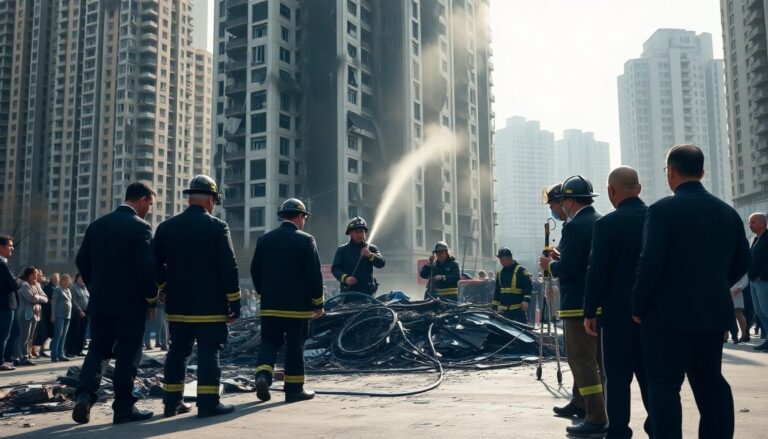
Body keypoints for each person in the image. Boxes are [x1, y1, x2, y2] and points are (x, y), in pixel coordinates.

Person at [631, 144, 750, 439]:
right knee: (711, 383)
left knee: (664, 388)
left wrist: (637, 305)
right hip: (712, 313)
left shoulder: (661, 210)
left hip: (665, 316)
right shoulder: (727, 213)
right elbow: (742, 261)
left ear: (671, 171)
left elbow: (650, 263)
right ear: (702, 171)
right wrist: (715, 284)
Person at [154, 175, 241, 418]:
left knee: (177, 351)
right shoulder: (217, 227)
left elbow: (154, 264)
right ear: (211, 199)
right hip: (210, 306)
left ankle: (171, 403)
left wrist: (164, 286)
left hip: (178, 305)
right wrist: (234, 300)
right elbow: (229, 266)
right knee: (209, 351)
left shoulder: (166, 227)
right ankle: (208, 403)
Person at [73, 181, 158, 425]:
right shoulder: (140, 227)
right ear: (141, 200)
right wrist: (151, 298)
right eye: (149, 204)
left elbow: (82, 260)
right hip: (130, 305)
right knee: (128, 354)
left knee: (98, 349)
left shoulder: (97, 225)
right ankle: (123, 408)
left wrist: (95, 287)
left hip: (100, 303)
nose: (149, 209)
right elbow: (146, 268)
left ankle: (84, 395)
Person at [583, 166, 650, 438]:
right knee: (651, 378)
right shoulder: (656, 218)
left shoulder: (606, 225)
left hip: (616, 317)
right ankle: (657, 427)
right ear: (639, 188)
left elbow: (596, 271)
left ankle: (619, 430)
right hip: (651, 316)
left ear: (611, 191)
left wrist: (590, 311)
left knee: (617, 378)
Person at [539, 175, 606, 437]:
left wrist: (550, 265)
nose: (557, 209)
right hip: (597, 304)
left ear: (567, 200)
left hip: (578, 306)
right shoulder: (599, 221)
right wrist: (561, 256)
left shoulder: (575, 226)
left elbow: (569, 269)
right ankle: (580, 404)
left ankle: (595, 416)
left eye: (558, 203)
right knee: (594, 360)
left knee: (582, 361)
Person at [251, 198, 324, 403]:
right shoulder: (306, 240)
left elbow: (255, 269)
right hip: (297, 309)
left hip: (270, 307)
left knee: (269, 342)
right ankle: (293, 390)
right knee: (295, 345)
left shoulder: (264, 239)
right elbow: (314, 275)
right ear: (300, 216)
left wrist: (262, 292)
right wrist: (318, 303)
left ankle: (263, 376)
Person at [332, 217, 385, 300]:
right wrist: (346, 278)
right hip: (348, 295)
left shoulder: (371, 248)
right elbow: (335, 269)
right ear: (350, 233)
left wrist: (370, 255)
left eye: (362, 232)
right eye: (357, 232)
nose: (360, 235)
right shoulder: (342, 250)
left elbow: (381, 263)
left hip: (368, 294)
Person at [15, 267, 48, 366]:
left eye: (37, 275)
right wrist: (38, 298)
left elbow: (45, 298)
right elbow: (30, 299)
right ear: (28, 275)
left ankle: (27, 355)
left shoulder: (37, 285)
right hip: (25, 314)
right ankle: (22, 357)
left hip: (35, 314)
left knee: (30, 337)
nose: (36, 277)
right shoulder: (24, 286)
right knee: (24, 336)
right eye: (34, 275)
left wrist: (36, 296)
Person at [492, 247, 532, 323]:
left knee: (521, 332)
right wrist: (494, 308)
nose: (501, 261)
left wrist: (526, 301)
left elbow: (528, 286)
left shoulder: (520, 270)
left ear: (510, 258)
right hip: (504, 312)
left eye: (503, 259)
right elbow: (497, 292)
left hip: (518, 310)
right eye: (500, 259)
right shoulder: (500, 274)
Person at [0, 235, 21, 371]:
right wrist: (19, 280)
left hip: (6, 305)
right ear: (1, 247)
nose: (12, 248)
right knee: (3, 335)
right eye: (10, 245)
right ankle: (1, 361)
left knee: (7, 334)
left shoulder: (4, 263)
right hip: (5, 305)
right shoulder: (2, 265)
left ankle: (5, 358)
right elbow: (14, 284)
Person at [748, 212, 768, 351]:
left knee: (766, 311)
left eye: (753, 222)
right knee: (759, 312)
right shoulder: (755, 239)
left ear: (762, 223)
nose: (750, 225)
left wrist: (762, 275)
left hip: (764, 280)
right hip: (753, 281)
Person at [35, 272, 58, 358]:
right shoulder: (48, 287)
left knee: (50, 332)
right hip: (47, 312)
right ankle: (40, 349)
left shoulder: (56, 287)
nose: (56, 279)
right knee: (46, 331)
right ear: (51, 279)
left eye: (57, 278)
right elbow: (49, 300)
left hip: (53, 312)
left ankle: (42, 349)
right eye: (54, 278)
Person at [50, 274, 73, 362]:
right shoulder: (57, 290)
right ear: (61, 281)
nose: (66, 281)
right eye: (64, 280)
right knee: (58, 335)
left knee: (64, 336)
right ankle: (54, 355)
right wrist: (53, 315)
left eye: (67, 280)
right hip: (59, 315)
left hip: (68, 315)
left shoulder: (68, 290)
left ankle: (61, 354)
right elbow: (53, 302)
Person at [65, 274, 89, 357]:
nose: (82, 280)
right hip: (76, 314)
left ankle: (79, 350)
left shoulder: (85, 288)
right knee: (75, 332)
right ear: (77, 279)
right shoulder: (73, 287)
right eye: (80, 278)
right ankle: (71, 351)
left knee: (83, 332)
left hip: (86, 313)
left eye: (83, 278)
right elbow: (73, 300)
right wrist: (79, 311)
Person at [729, 274, 749, 344]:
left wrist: (737, 290)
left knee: (738, 313)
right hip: (725, 290)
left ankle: (744, 335)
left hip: (736, 292)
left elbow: (745, 281)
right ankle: (726, 336)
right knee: (724, 314)